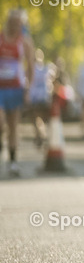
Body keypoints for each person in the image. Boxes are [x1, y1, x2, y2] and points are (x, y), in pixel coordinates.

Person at [0, 10, 34, 176]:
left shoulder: (25, 42)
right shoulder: (0, 38)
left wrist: (28, 89)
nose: (15, 25)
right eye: (12, 22)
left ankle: (13, 161)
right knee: (0, 123)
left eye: (18, 23)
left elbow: (31, 66)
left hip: (16, 87)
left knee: (13, 126)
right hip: (0, 88)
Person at [26, 49, 55, 149]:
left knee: (36, 118)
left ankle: (40, 135)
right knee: (39, 118)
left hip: (37, 97)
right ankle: (41, 134)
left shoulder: (42, 68)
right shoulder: (46, 68)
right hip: (41, 97)